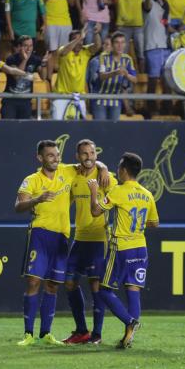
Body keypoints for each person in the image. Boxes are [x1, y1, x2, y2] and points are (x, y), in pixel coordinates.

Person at [15, 139, 109, 346]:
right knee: (33, 282)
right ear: (40, 158)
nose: (56, 159)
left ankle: (46, 333)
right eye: (50, 155)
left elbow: (90, 161)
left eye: (57, 155)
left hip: (62, 237)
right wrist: (36, 200)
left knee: (53, 285)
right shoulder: (31, 180)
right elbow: (19, 205)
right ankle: (28, 334)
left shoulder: (67, 171)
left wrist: (103, 167)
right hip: (40, 233)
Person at [87, 152, 159, 349]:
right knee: (133, 289)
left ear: (124, 170)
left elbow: (95, 211)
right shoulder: (147, 194)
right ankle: (129, 337)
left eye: (119, 168)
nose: (117, 171)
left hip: (121, 248)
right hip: (140, 248)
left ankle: (129, 322)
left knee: (104, 290)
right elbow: (154, 223)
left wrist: (94, 190)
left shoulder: (119, 191)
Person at [62, 139, 118, 345]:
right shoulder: (73, 177)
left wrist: (103, 167)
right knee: (69, 282)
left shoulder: (106, 178)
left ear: (96, 154)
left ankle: (97, 334)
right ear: (78, 157)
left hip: (98, 238)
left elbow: (119, 199)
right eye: (84, 154)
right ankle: (81, 331)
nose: (89, 157)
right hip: (79, 238)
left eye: (92, 153)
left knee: (95, 285)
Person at [53, 24, 102, 120]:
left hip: (79, 96)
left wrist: (96, 34)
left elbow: (97, 46)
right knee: (57, 126)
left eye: (81, 40)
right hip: (61, 97)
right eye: (76, 39)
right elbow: (63, 52)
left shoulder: (85, 52)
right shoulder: (64, 51)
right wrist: (79, 38)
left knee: (79, 128)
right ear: (70, 41)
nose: (80, 42)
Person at [111, 0, 152, 73]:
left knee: (141, 55)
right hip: (123, 26)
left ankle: (142, 76)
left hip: (138, 26)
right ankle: (120, 76)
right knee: (121, 54)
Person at [39, 0, 75, 77]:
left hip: (65, 22)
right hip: (50, 22)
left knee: (64, 52)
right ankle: (49, 78)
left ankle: (60, 77)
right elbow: (39, 3)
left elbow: (73, 3)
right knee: (51, 51)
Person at [2, 36, 48, 119]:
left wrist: (44, 64)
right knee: (8, 128)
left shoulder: (35, 59)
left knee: (23, 129)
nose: (28, 49)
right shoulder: (11, 59)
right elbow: (17, 76)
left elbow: (44, 77)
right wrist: (25, 60)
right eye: (25, 46)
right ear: (19, 47)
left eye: (31, 46)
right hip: (10, 100)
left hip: (26, 101)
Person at [142, 0, 170, 115]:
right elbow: (147, 6)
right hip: (152, 45)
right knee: (153, 79)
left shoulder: (165, 4)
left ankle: (167, 109)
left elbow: (165, 23)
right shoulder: (148, 2)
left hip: (166, 46)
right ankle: (151, 109)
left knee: (167, 80)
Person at [95, 31, 137, 120]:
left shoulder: (128, 59)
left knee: (113, 129)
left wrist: (126, 74)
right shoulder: (104, 56)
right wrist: (115, 72)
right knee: (99, 128)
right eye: (117, 42)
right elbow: (101, 76)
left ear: (125, 44)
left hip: (116, 100)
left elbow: (135, 80)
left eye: (122, 42)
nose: (120, 45)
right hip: (100, 98)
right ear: (112, 44)